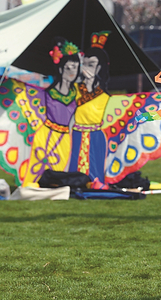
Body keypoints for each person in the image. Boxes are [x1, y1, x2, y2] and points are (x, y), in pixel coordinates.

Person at [23, 39, 81, 185]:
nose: (72, 72)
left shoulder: (78, 95)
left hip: (68, 138)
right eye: (69, 68)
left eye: (75, 67)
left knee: (64, 172)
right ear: (61, 69)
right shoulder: (47, 94)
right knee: (39, 172)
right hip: (46, 137)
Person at [69, 31, 111, 186]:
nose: (86, 68)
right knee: (74, 161)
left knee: (96, 164)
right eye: (84, 64)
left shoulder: (105, 96)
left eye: (91, 65)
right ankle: (74, 182)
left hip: (96, 135)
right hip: (77, 133)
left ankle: (96, 182)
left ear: (99, 68)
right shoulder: (74, 89)